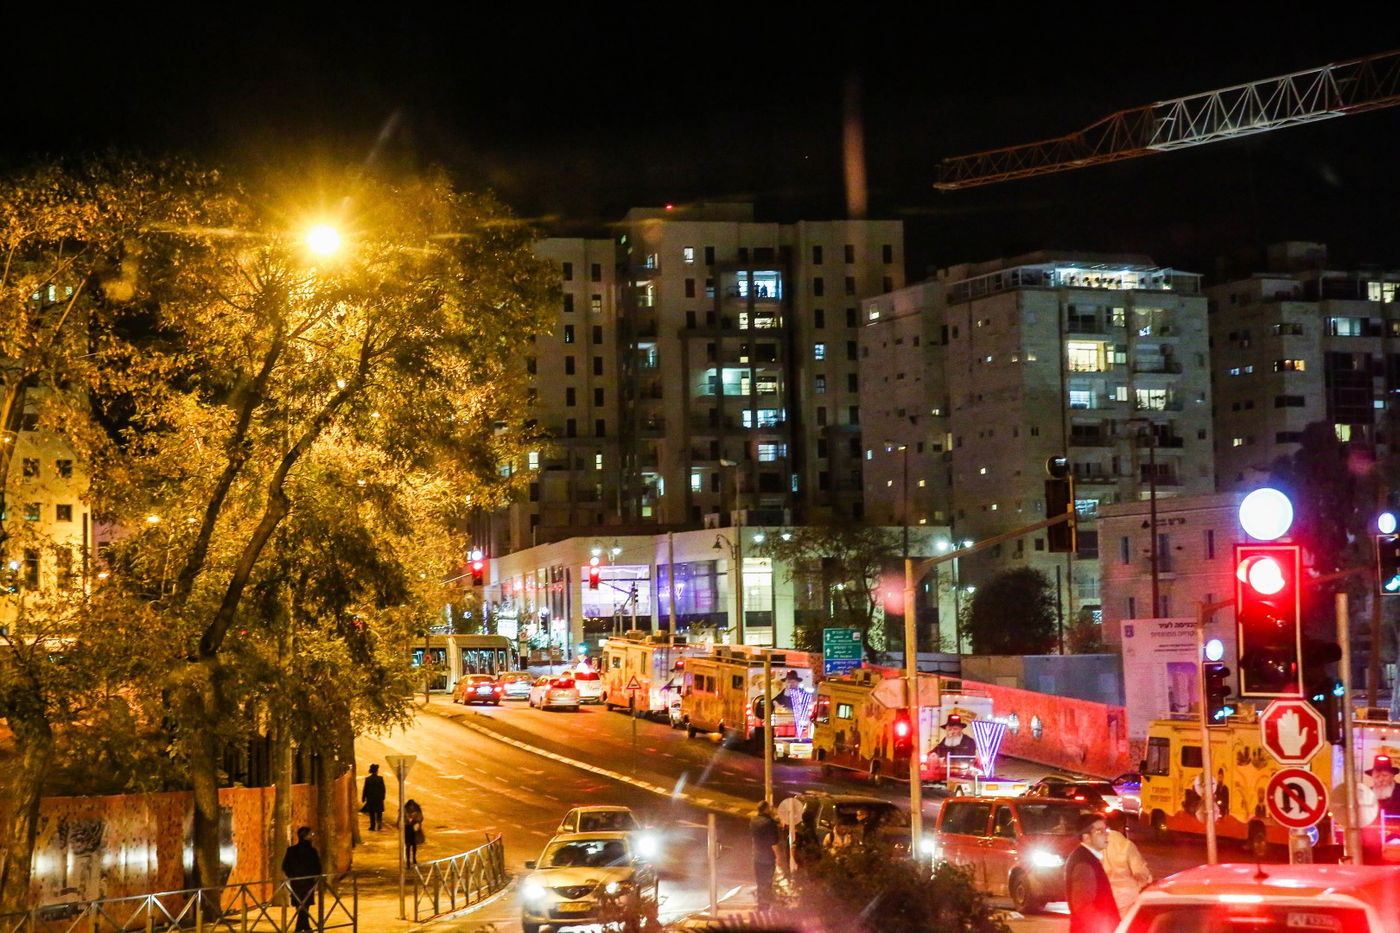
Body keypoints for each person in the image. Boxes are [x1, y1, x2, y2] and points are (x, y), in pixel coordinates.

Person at [1065, 814, 1120, 933]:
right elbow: (1083, 906)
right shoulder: (1084, 863)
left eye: (1106, 830)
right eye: (1099, 831)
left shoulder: (1087, 858)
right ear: (1086, 837)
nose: (1106, 834)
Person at [1102, 827, 1153, 915]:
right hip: (1128, 897)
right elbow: (1139, 871)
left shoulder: (1099, 845)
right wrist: (1146, 880)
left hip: (1107, 896)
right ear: (1121, 827)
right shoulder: (1126, 845)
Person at [281, 826, 322, 933]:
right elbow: (317, 867)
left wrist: (292, 876)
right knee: (305, 904)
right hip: (308, 882)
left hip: (296, 882)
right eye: (310, 835)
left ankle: (303, 926)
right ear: (305, 836)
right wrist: (314, 878)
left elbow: (285, 866)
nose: (312, 836)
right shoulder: (312, 851)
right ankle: (301, 927)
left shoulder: (291, 850)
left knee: (300, 905)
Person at [750, 800, 780, 912]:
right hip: (768, 856)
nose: (771, 810)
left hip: (757, 855)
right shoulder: (770, 823)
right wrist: (779, 857)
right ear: (766, 809)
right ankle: (766, 905)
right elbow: (774, 842)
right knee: (768, 881)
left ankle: (760, 904)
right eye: (770, 808)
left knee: (759, 881)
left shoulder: (753, 821)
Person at [361, 764, 386, 831]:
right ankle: (379, 825)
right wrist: (382, 797)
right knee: (379, 813)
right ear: (376, 771)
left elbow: (365, 789)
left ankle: (372, 826)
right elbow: (383, 789)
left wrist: (363, 798)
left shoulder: (368, 779)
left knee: (372, 813)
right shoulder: (380, 779)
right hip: (378, 799)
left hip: (371, 799)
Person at [404, 799, 425, 866]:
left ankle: (413, 858)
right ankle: (408, 860)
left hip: (413, 829)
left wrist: (414, 820)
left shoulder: (417, 810)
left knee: (414, 845)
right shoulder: (404, 810)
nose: (411, 807)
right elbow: (401, 819)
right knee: (408, 845)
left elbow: (421, 818)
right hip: (407, 829)